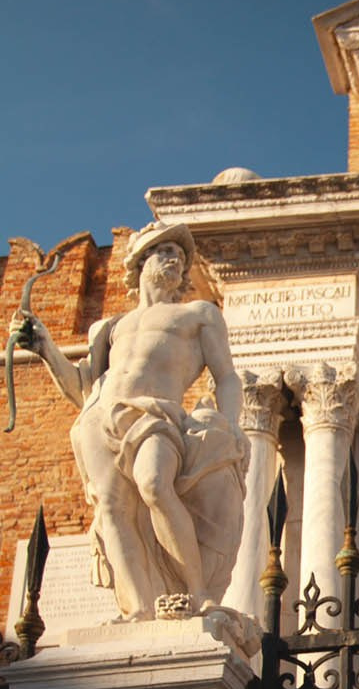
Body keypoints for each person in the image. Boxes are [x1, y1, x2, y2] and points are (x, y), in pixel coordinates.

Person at [17, 219, 248, 620]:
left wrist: (228, 425)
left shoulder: (198, 315)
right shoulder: (107, 328)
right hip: (99, 416)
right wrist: (45, 349)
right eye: (164, 251)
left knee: (155, 484)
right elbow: (83, 388)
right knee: (112, 509)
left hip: (155, 413)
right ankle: (138, 609)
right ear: (140, 262)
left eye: (179, 254)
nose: (174, 258)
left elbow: (226, 376)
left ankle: (197, 593)